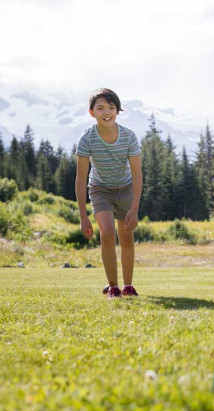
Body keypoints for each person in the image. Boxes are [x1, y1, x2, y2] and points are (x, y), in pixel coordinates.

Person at [75, 88, 143, 298]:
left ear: (117, 111)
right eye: (101, 107)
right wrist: (83, 216)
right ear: (91, 112)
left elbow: (137, 174)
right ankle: (113, 287)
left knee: (127, 238)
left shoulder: (129, 136)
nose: (107, 112)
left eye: (111, 107)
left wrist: (134, 208)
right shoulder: (87, 139)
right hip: (100, 189)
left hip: (126, 189)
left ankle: (128, 285)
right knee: (106, 233)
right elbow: (81, 177)